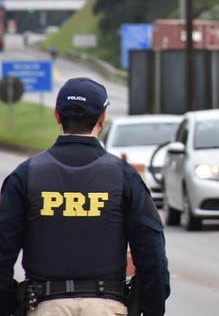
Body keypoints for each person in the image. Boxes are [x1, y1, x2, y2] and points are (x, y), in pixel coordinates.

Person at [0, 77, 170, 316]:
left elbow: (3, 251)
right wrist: (153, 308)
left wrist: (8, 305)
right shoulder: (124, 176)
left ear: (57, 116)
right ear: (102, 117)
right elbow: (151, 253)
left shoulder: (26, 175)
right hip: (106, 306)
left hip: (44, 306)